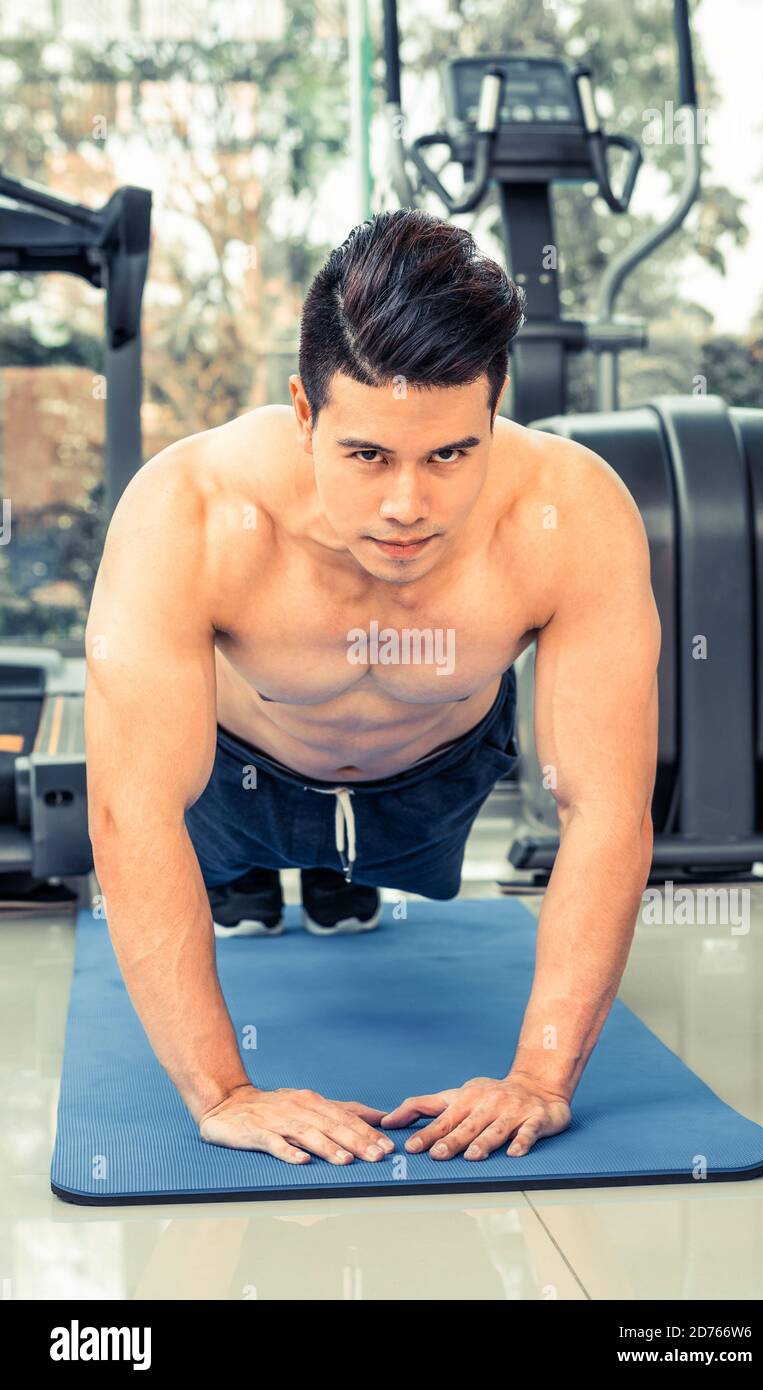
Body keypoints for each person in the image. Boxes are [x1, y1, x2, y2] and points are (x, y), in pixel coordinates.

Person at [85, 208, 660, 1169]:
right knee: (227, 880)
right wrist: (223, 1092)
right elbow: (132, 811)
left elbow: (606, 809)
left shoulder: (572, 512)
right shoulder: (188, 510)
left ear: (494, 407)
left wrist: (538, 1080)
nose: (406, 505)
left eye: (448, 454)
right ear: (305, 414)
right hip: (236, 779)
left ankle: (337, 873)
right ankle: (275, 870)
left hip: (435, 781)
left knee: (355, 890)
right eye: (367, 455)